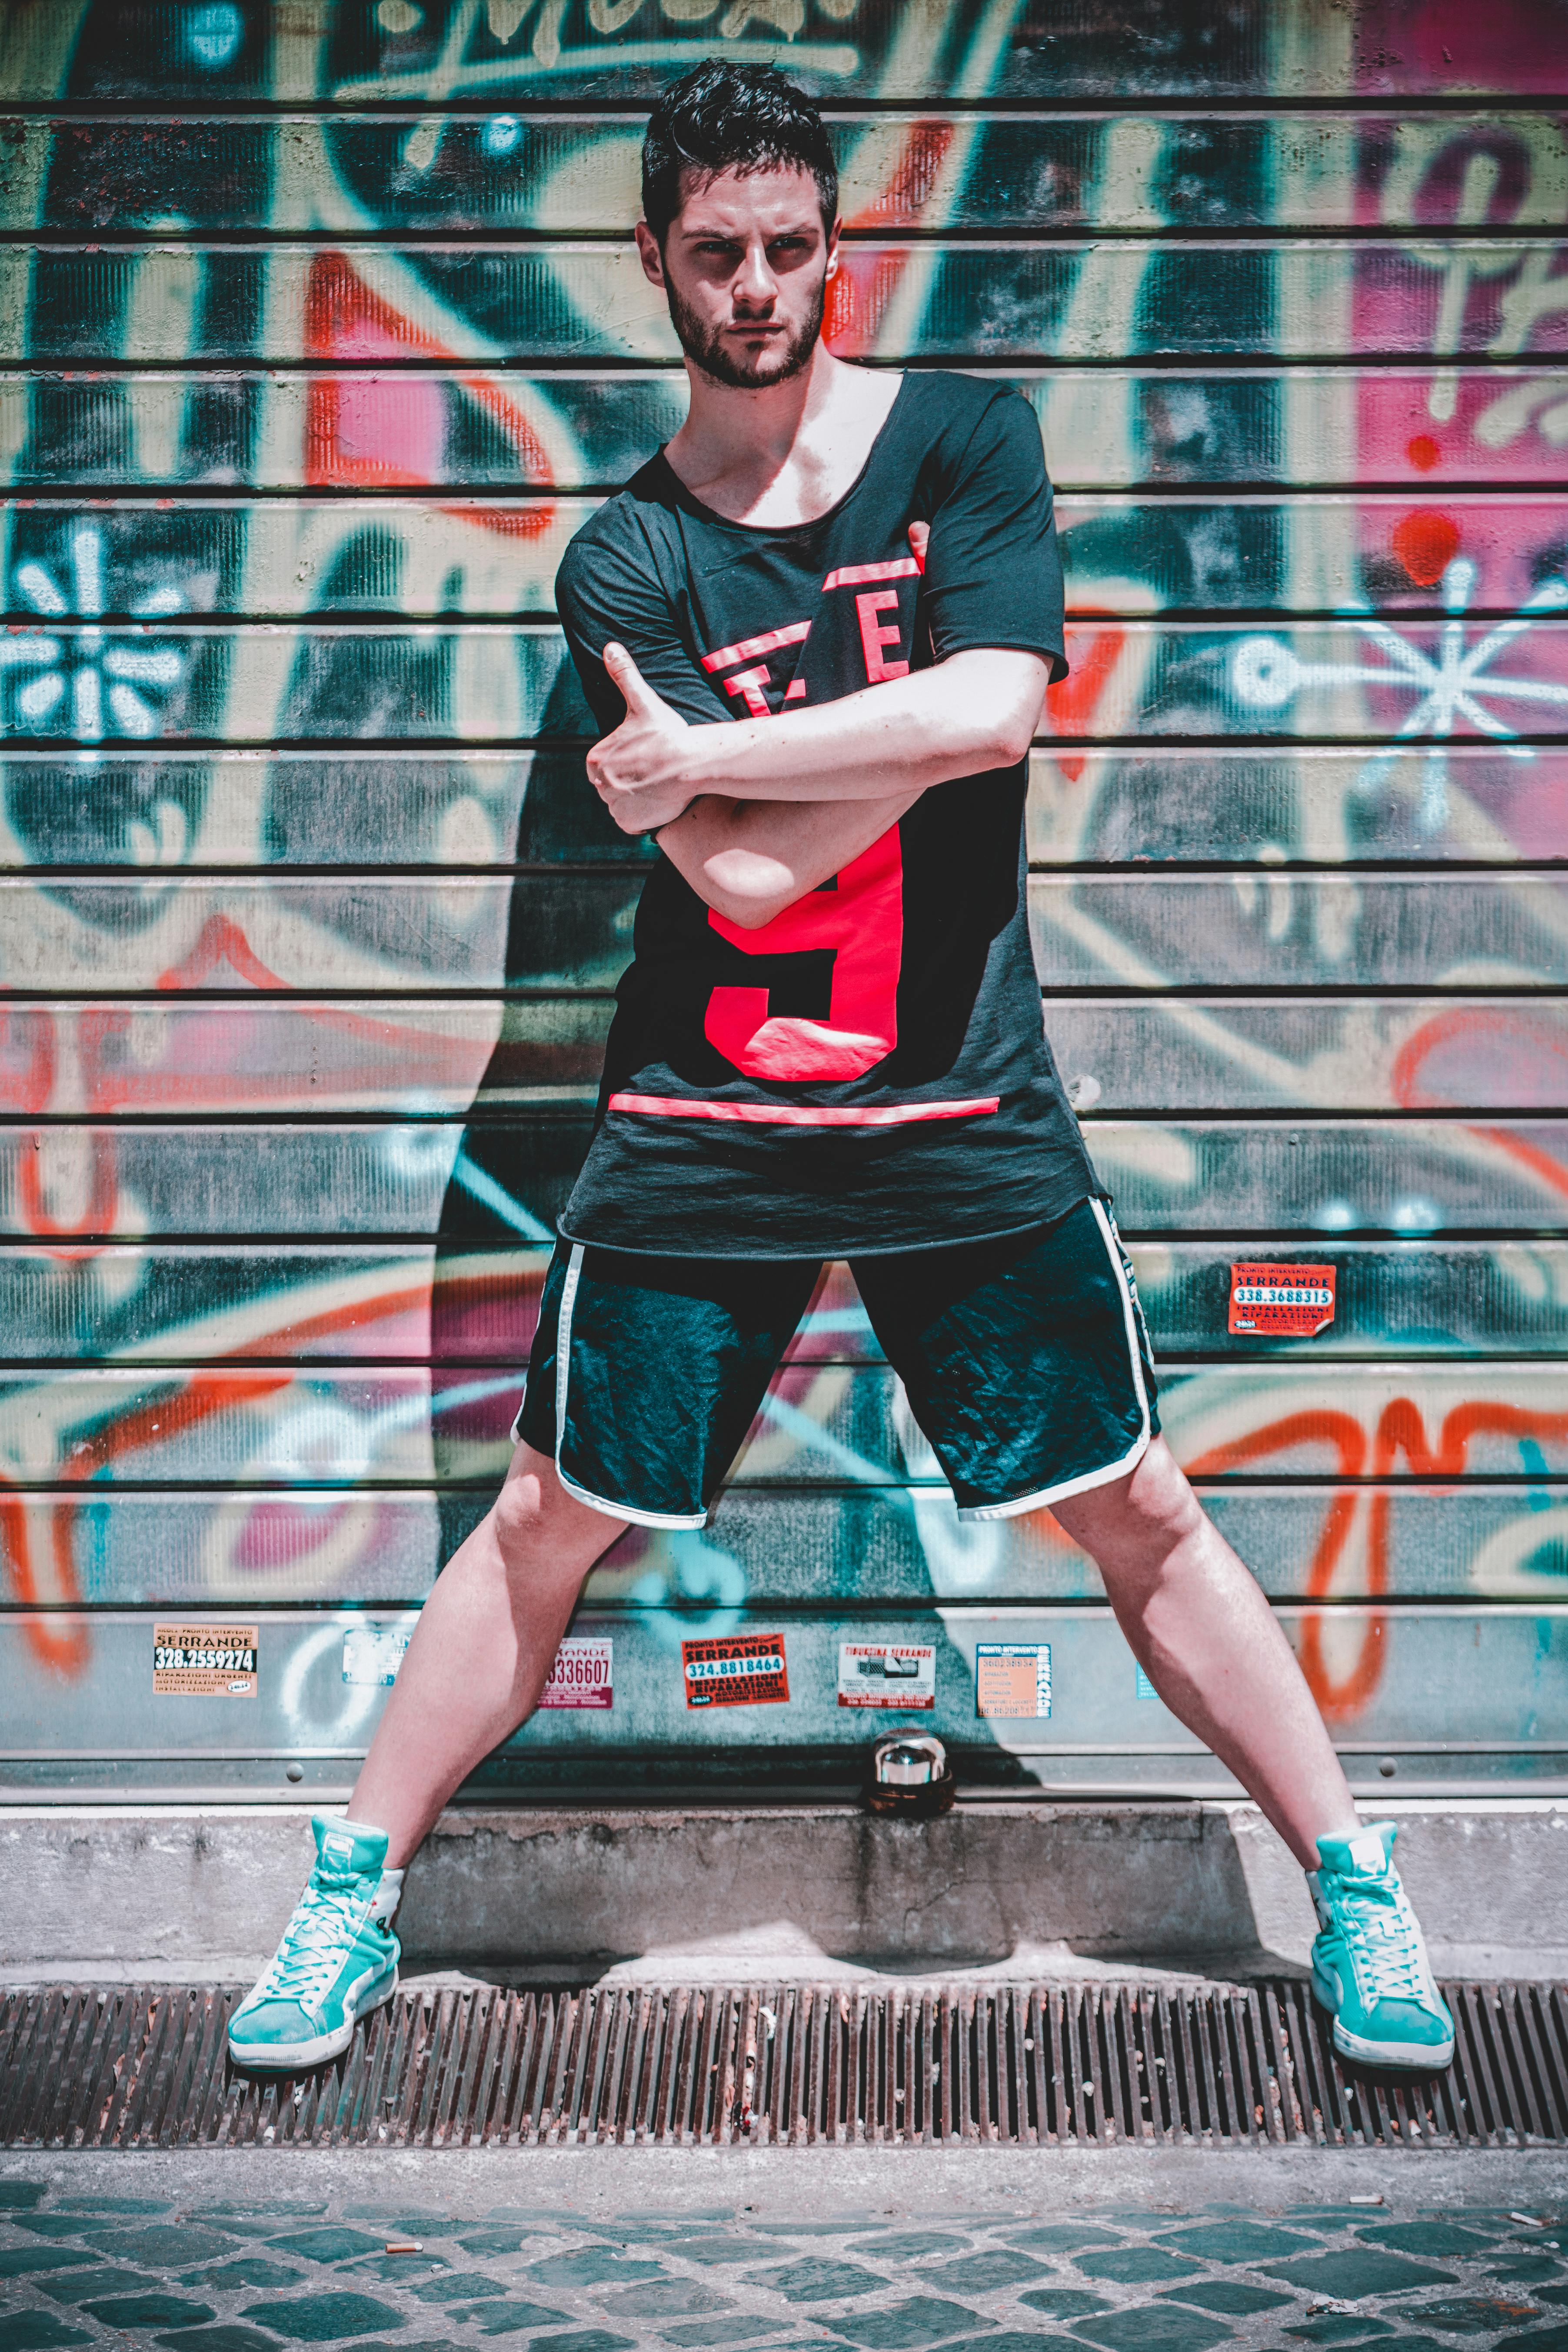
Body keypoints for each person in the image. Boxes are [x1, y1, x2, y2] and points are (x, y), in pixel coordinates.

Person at [228, 62, 1451, 2078]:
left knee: (1130, 1503)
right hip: (700, 1127)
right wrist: (832, 758)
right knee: (546, 1516)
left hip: (960, 1104)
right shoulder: (623, 557)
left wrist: (717, 745)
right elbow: (737, 874)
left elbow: (998, 717)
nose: (757, 286)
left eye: (788, 246)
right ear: (655, 263)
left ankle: (1350, 1886)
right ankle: (350, 1898)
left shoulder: (966, 442)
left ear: (833, 243)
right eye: (714, 254)